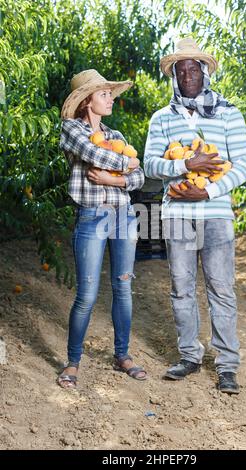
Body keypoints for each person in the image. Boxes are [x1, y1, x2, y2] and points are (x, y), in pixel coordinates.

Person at [144, 38, 246, 394]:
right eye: (181, 70)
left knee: (221, 288)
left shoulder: (228, 113)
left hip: (216, 213)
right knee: (181, 287)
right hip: (177, 213)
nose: (188, 75)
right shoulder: (162, 118)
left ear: (204, 72)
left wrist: (206, 190)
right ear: (174, 76)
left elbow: (243, 166)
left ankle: (227, 366)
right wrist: (186, 165)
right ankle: (190, 355)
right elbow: (150, 165)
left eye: (194, 68)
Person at [58, 69, 146, 388]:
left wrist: (113, 178)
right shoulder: (71, 129)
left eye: (110, 93)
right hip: (92, 216)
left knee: (123, 287)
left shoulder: (117, 136)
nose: (110, 99)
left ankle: (122, 355)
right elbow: (94, 154)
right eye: (104, 94)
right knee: (87, 294)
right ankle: (73, 362)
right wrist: (128, 164)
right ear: (86, 101)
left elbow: (139, 178)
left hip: (123, 216)